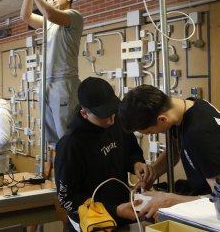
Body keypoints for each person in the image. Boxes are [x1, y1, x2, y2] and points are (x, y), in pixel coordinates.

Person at [118, 84, 220, 221]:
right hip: (209, 193)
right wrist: (153, 173)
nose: (149, 135)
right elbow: (176, 150)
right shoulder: (188, 107)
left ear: (162, 119)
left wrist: (170, 200)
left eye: (148, 132)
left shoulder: (200, 135)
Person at [55, 77, 155, 231]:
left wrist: (136, 164)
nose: (111, 121)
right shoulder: (70, 144)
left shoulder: (116, 120)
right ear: (84, 114)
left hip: (123, 214)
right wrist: (114, 210)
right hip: (93, 223)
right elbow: (67, 198)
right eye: (103, 116)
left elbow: (131, 150)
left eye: (112, 112)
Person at [20, 0, 83, 179]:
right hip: (45, 83)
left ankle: (73, 177)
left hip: (63, 81)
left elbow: (49, 13)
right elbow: (26, 16)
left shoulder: (73, 16)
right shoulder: (49, 24)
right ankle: (57, 179)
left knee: (67, 135)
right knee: (52, 137)